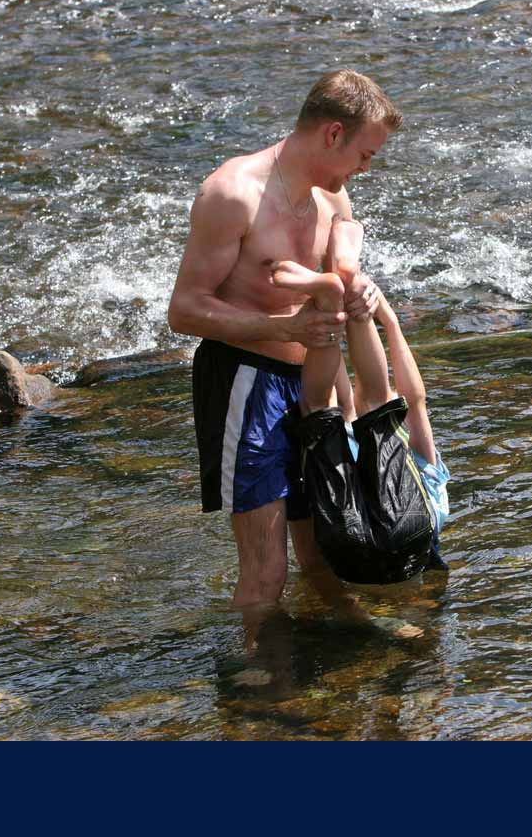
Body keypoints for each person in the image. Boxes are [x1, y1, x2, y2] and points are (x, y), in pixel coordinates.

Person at [166, 70, 401, 644]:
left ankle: (347, 627)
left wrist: (361, 291)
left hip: (315, 383)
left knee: (327, 539)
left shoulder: (332, 196)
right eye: (365, 154)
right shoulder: (232, 194)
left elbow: (336, 282)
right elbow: (185, 310)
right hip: (246, 382)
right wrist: (284, 326)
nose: (365, 168)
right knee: (266, 569)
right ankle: (257, 675)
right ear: (333, 134)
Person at [271, 217, 451, 585]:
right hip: (381, 544)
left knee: (359, 403)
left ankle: (335, 294)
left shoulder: (432, 489)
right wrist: (388, 321)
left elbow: (407, 399)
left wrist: (380, 317)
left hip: (367, 538)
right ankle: (337, 291)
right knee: (326, 406)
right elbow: (414, 400)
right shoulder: (420, 472)